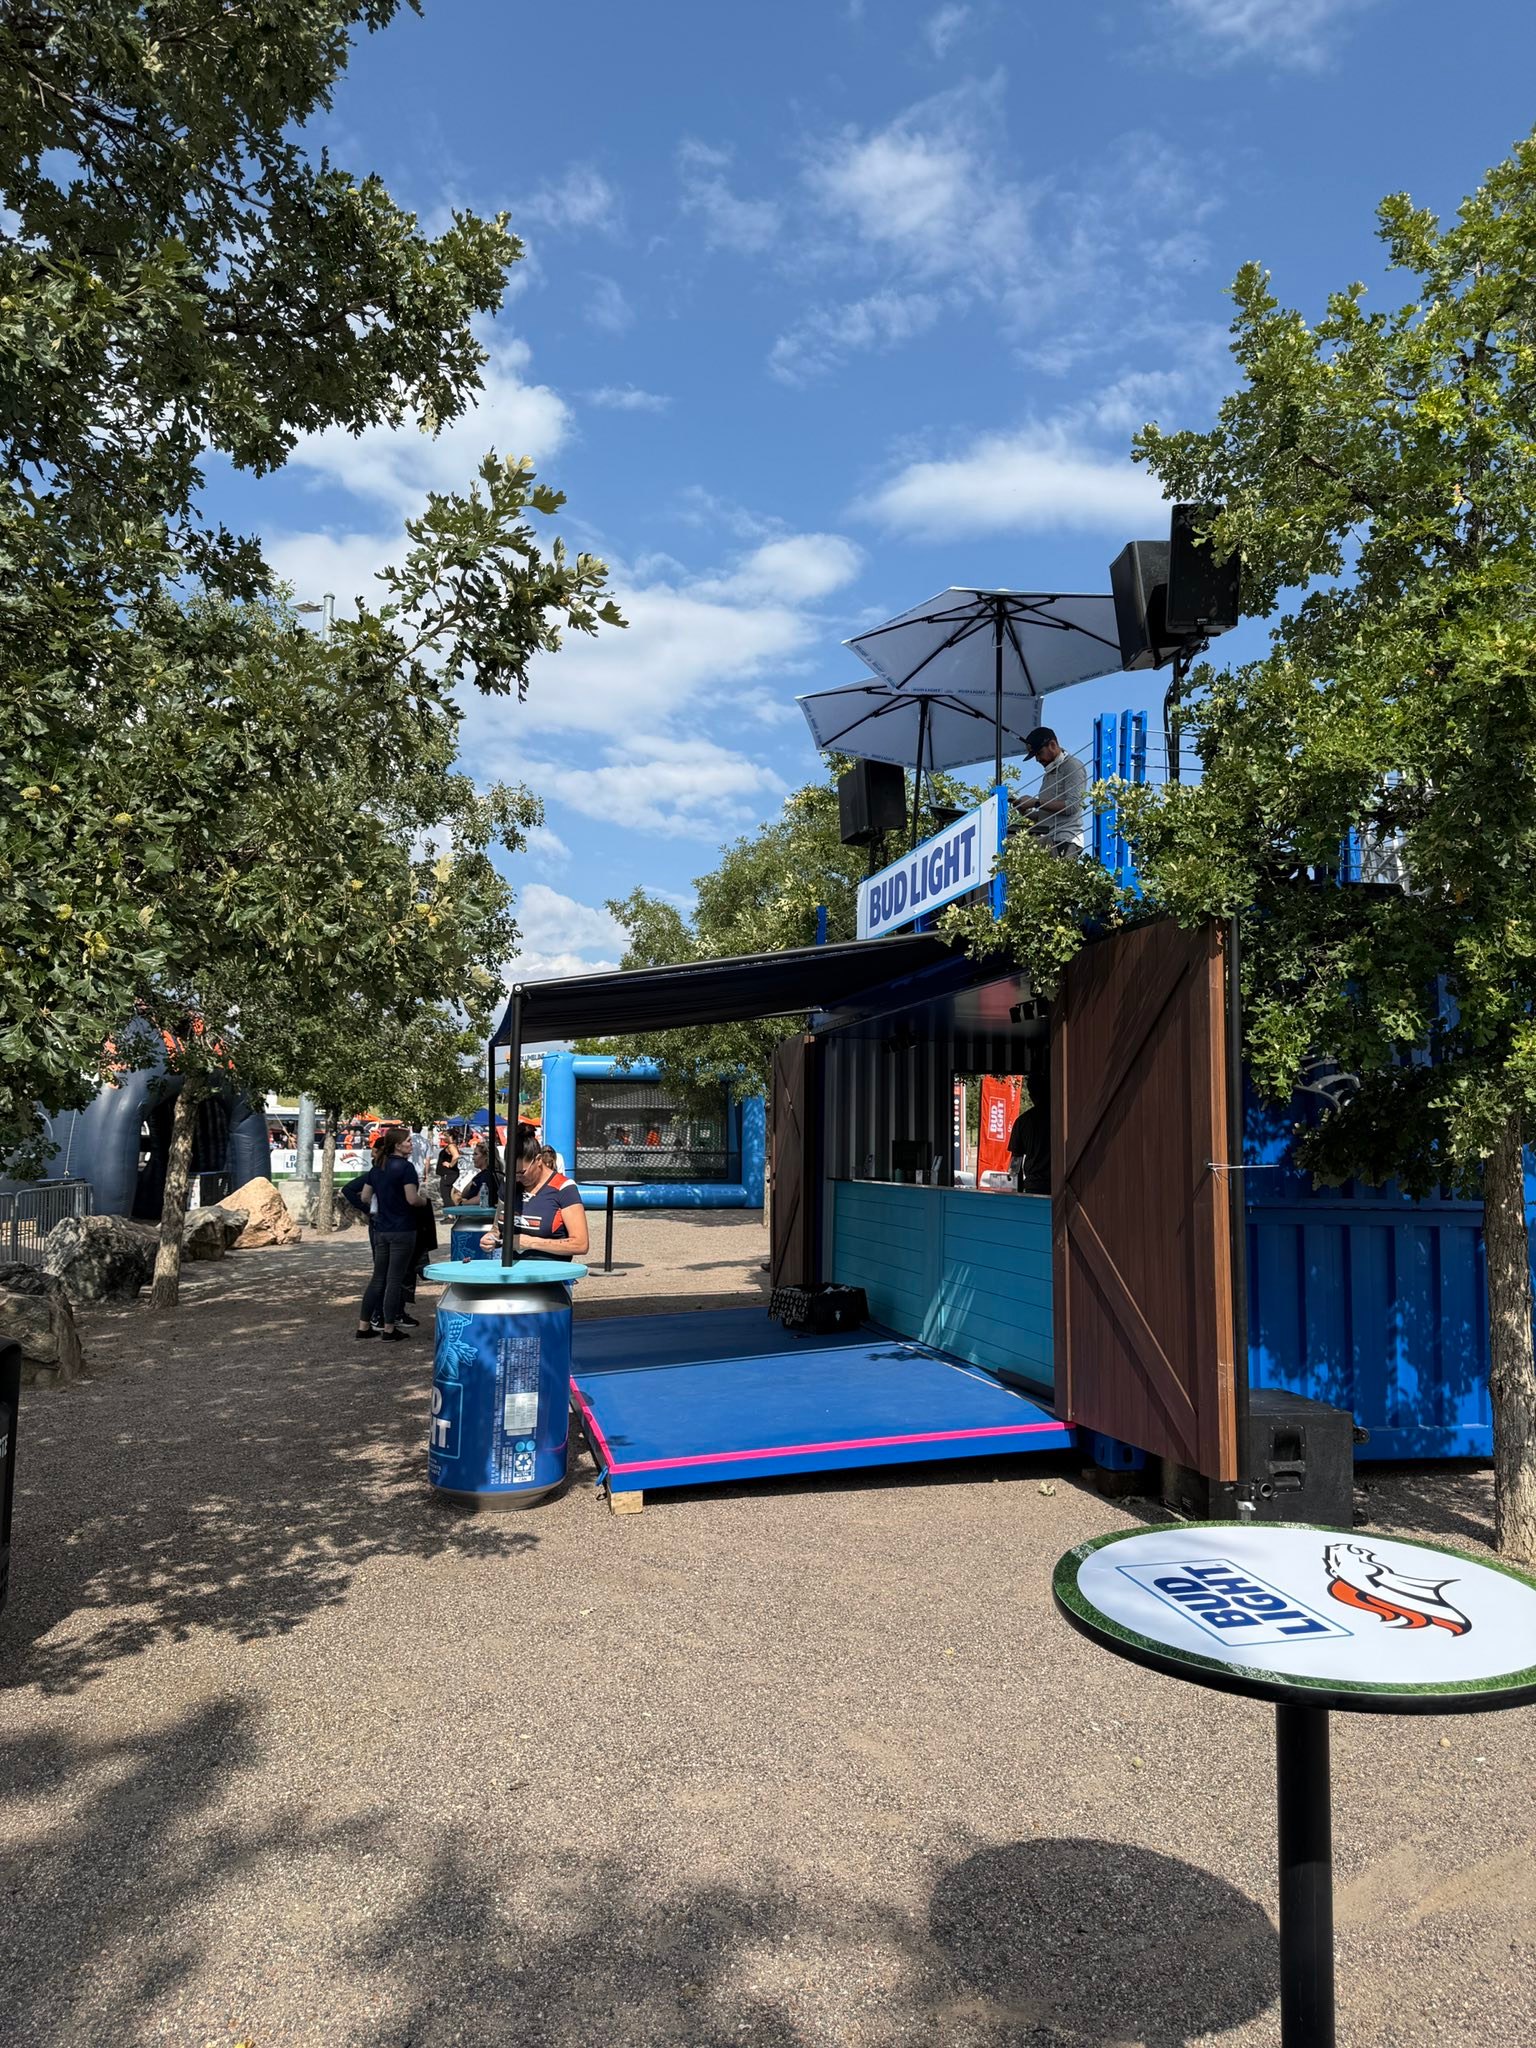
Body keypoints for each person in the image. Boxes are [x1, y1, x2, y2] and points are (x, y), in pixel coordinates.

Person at [343, 1127, 429, 1339]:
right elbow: (411, 1198)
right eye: (408, 1141)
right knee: (395, 1279)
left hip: (381, 1228)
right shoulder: (406, 1168)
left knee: (378, 1278)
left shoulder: (377, 1167)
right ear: (398, 1145)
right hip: (403, 1228)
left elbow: (364, 1197)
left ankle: (364, 1326)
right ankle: (389, 1328)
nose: (411, 1144)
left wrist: (381, 1206)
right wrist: (424, 1201)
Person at [481, 1122, 590, 1262]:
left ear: (538, 1160)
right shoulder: (509, 1183)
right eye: (512, 1172)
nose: (517, 1178)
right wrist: (491, 1237)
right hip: (511, 1272)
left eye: (521, 1172)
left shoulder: (564, 1188)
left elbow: (580, 1244)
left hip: (549, 1276)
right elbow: (497, 1227)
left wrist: (530, 1242)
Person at [1013, 727, 1087, 857]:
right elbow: (1046, 816)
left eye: (1039, 753)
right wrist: (1025, 811)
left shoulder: (1072, 766)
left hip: (1066, 840)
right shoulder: (1048, 774)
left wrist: (1035, 802)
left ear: (1052, 745)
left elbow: (1073, 806)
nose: (1037, 759)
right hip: (1048, 837)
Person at [1007, 1073, 1051, 1196]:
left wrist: (1019, 1192)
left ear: (1031, 1096)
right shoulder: (1063, 1119)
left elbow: (1016, 1161)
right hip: (1062, 1182)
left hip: (1034, 1186)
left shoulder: (1022, 1122)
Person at [457, 1140, 499, 1208]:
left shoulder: (487, 1175)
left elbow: (480, 1199)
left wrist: (463, 1203)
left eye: (476, 1154)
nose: (473, 1158)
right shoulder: (481, 1175)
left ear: (486, 1156)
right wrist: (471, 1183)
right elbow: (464, 1194)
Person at [435, 1128, 460, 1206]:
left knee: (446, 1195)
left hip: (448, 1174)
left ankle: (450, 1214)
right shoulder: (452, 1146)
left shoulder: (451, 1146)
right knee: (449, 1195)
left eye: (446, 1136)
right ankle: (452, 1213)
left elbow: (456, 1156)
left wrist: (450, 1164)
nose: (444, 1138)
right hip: (448, 1174)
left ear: (451, 1136)